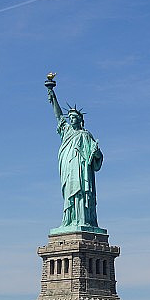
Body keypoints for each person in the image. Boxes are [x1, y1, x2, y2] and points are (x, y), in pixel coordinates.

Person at [47, 85, 103, 230]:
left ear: (80, 119)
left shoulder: (85, 135)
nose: (71, 120)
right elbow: (58, 116)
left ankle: (83, 220)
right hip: (68, 167)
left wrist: (96, 153)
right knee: (69, 194)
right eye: (70, 117)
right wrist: (53, 98)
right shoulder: (66, 131)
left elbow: (98, 157)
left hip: (82, 169)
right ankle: (70, 220)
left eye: (74, 117)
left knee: (82, 193)